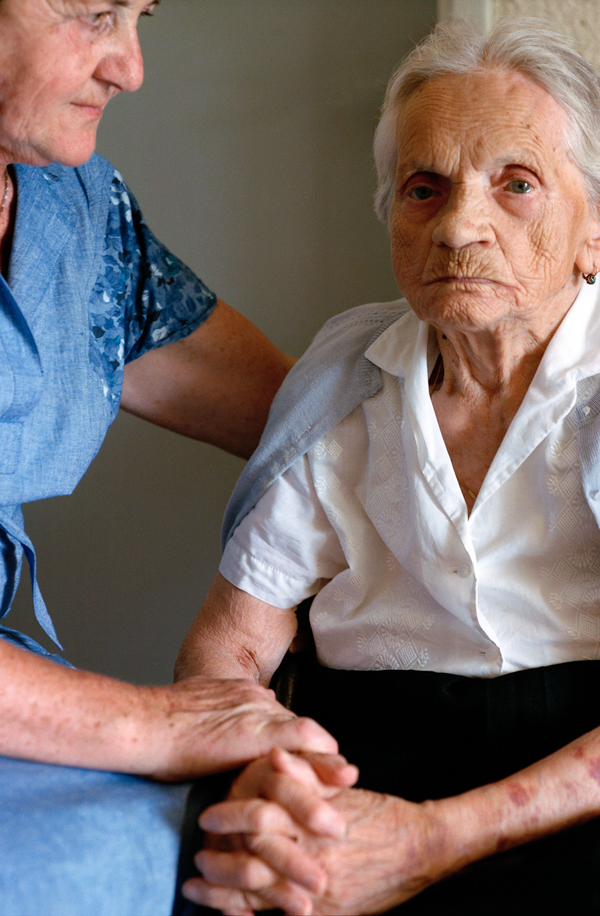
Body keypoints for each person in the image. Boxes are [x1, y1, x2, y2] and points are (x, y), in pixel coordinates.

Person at [176, 18, 600, 916]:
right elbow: (231, 645)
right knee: (232, 875)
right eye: (423, 189)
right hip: (354, 741)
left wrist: (426, 842)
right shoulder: (341, 377)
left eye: (515, 185)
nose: (458, 227)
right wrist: (277, 781)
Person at [0, 2, 356, 913]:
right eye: (95, 14)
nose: (130, 67)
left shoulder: (71, 209)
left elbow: (308, 433)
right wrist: (156, 723)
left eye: (140, 16)